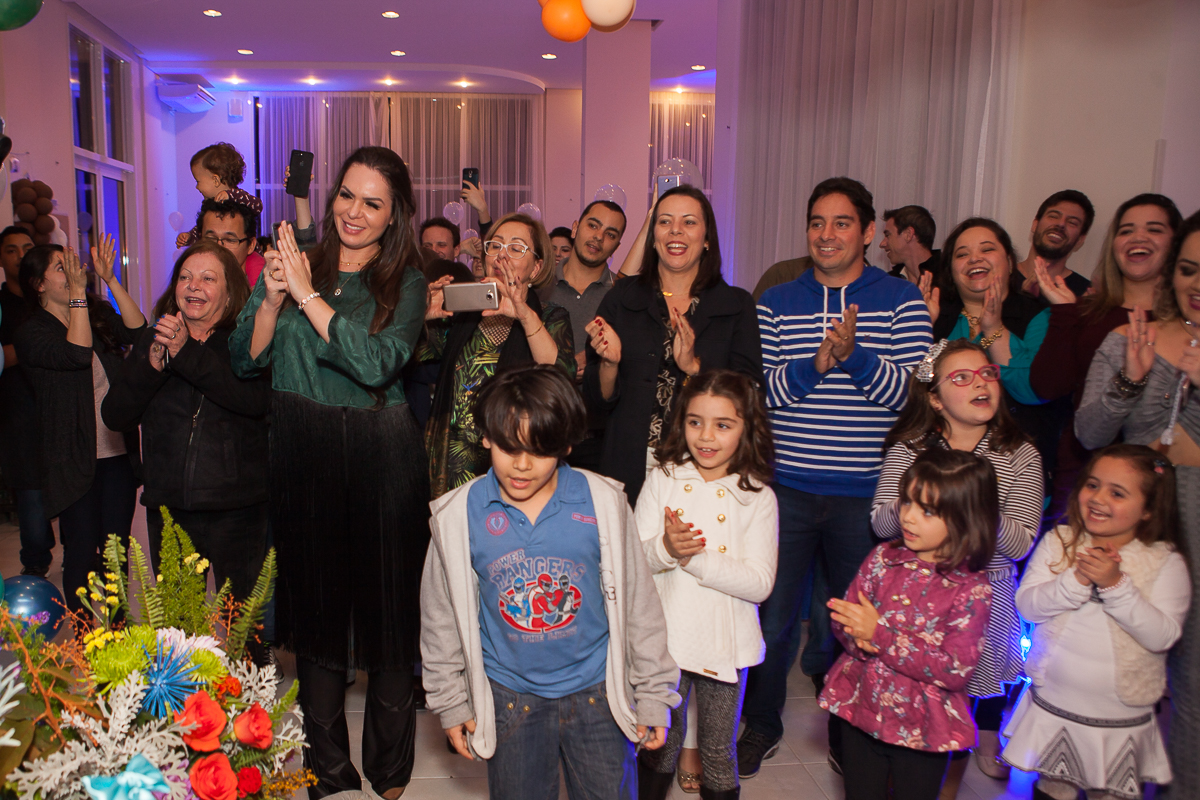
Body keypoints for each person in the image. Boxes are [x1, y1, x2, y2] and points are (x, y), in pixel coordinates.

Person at [229, 146, 430, 799]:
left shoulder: (406, 283)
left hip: (381, 454)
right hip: (303, 449)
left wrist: (307, 295)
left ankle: (390, 770)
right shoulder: (298, 263)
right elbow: (245, 359)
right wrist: (271, 299)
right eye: (347, 194)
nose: (354, 212)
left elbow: (376, 364)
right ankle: (328, 771)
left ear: (395, 214)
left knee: (388, 617)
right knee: (316, 623)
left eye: (373, 202)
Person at [420, 364, 680, 800]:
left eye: (539, 451)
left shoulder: (602, 503)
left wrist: (654, 692)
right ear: (486, 437)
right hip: (510, 700)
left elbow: (640, 605)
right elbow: (439, 619)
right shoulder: (457, 516)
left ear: (566, 445)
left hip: (599, 694)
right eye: (508, 446)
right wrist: (450, 701)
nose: (521, 465)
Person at [745, 177, 932, 778]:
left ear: (869, 231)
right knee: (773, 619)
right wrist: (816, 362)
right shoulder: (777, 301)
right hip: (787, 488)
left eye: (842, 222)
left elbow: (912, 399)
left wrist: (854, 357)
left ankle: (850, 732)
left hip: (867, 494)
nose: (827, 234)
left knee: (857, 625)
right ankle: (761, 723)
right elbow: (763, 394)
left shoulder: (900, 301)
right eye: (817, 223)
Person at [872, 340, 1042, 796]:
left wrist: (973, 500)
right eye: (961, 377)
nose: (980, 383)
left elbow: (1020, 544)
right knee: (905, 703)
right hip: (913, 595)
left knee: (954, 716)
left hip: (983, 602)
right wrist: (921, 499)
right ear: (934, 398)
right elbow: (881, 523)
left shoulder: (1019, 453)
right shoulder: (910, 448)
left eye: (986, 373)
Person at [1074, 210, 1200, 800]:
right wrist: (1129, 380)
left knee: (1193, 685)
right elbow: (1090, 433)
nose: (1197, 284)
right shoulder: (1131, 337)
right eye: (1189, 269)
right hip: (1132, 528)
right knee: (1108, 670)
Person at [1002, 445, 1190, 800]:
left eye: (1117, 493)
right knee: (1052, 790)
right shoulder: (1059, 542)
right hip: (1055, 705)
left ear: (1149, 509)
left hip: (1119, 718)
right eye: (1092, 485)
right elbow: (1028, 607)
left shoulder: (1164, 562)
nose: (1098, 498)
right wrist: (1075, 581)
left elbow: (1162, 636)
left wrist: (1116, 586)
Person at [819, 448, 994, 800]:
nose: (909, 517)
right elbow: (846, 620)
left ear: (966, 517)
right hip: (863, 710)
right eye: (907, 502)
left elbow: (954, 670)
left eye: (927, 511)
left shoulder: (971, 589)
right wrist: (856, 636)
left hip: (923, 732)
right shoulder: (882, 558)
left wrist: (879, 636)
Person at [635, 370, 778, 800]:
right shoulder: (664, 477)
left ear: (747, 427)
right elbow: (635, 560)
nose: (706, 436)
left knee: (718, 750)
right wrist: (665, 547)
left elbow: (760, 584)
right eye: (695, 421)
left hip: (724, 645)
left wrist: (695, 557)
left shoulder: (757, 496)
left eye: (723, 424)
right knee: (659, 743)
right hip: (665, 640)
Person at [101, 241, 268, 611]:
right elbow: (115, 415)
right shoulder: (153, 339)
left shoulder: (246, 340)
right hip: (169, 507)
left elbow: (253, 402)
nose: (194, 286)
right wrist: (152, 366)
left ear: (229, 293)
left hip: (237, 509)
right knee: (178, 622)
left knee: (241, 622)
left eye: (208, 279)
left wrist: (185, 352)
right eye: (185, 277)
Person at [583, 185, 762, 506]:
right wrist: (610, 363)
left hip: (703, 467)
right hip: (628, 464)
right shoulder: (622, 298)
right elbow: (596, 403)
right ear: (653, 238)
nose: (675, 230)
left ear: (707, 238)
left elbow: (750, 396)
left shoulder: (735, 305)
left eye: (689, 222)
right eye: (665, 221)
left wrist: (695, 368)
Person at [1029, 194, 1182, 520]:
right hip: (1082, 481)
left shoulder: (1186, 324)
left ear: (1176, 243)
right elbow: (1046, 386)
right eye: (1127, 230)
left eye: (1153, 229)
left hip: (1161, 491)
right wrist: (1065, 312)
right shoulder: (1086, 312)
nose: (1138, 237)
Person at [15, 238, 145, 615]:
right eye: (62, 268)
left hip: (116, 453)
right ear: (39, 284)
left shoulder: (95, 311)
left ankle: (117, 632)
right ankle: (87, 637)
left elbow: (138, 331)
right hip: (72, 459)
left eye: (74, 264)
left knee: (116, 553)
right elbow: (76, 353)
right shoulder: (32, 332)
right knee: (82, 554)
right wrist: (77, 297)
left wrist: (111, 280)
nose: (75, 272)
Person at [423, 212, 575, 498]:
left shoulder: (550, 317)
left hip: (515, 460)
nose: (501, 256)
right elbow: (417, 359)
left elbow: (560, 377)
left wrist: (523, 314)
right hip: (452, 461)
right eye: (495, 245)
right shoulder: (464, 311)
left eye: (516, 248)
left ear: (536, 267)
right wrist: (421, 315)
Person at [0, 226, 53, 577]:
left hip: (58, 405)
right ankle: (35, 563)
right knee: (31, 491)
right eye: (11, 250)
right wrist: (36, 345)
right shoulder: (2, 306)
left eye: (27, 247)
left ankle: (83, 555)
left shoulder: (49, 297)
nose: (20, 256)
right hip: (17, 411)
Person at [177, 142, 262, 249]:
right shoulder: (210, 204)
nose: (197, 187)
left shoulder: (239, 196)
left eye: (198, 181)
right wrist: (190, 237)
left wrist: (231, 195)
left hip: (248, 254)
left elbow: (258, 205)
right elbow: (204, 228)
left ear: (216, 180)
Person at [1015, 190, 1095, 301]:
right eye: (1053, 216)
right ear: (1035, 225)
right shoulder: (1001, 277)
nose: (1061, 224)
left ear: (1080, 240)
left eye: (1072, 222)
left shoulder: (1086, 294)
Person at [197, 198, 265, 286]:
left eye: (230, 240)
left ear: (251, 245)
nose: (219, 246)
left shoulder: (263, 288)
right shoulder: (189, 285)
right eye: (211, 239)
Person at [880, 205, 939, 284]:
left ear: (908, 234)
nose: (882, 244)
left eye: (887, 235)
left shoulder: (947, 279)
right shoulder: (888, 282)